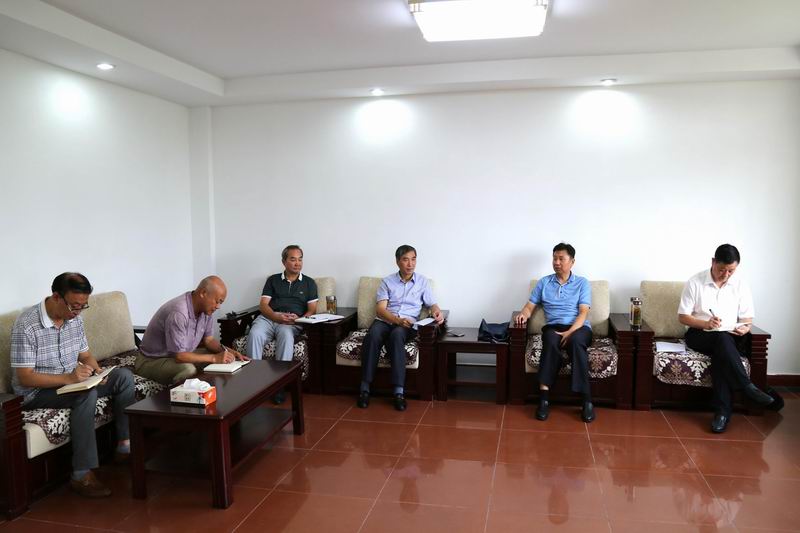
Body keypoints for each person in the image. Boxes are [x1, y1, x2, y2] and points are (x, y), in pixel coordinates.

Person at [11, 273, 136, 498]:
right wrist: (68, 378)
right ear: (56, 297)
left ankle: (125, 446)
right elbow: (25, 378)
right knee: (85, 396)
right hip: (37, 392)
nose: (78, 311)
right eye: (74, 305)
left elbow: (85, 355)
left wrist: (97, 372)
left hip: (72, 382)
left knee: (123, 377)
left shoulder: (74, 319)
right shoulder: (27, 326)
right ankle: (81, 474)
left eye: (82, 306)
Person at [677, 244, 773, 433]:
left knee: (722, 350)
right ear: (713, 262)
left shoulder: (740, 285)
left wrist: (745, 328)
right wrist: (706, 324)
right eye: (722, 270)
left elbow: (747, 319)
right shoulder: (695, 282)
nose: (726, 275)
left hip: (730, 337)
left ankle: (722, 414)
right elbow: (682, 317)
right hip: (700, 335)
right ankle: (747, 388)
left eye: (731, 271)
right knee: (721, 341)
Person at [357, 245, 444, 411]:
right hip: (386, 320)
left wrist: (437, 312)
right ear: (397, 262)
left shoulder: (422, 282)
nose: (410, 264)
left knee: (397, 336)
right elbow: (380, 310)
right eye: (405, 260)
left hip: (407, 324)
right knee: (373, 335)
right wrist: (397, 320)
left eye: (413, 259)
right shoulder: (387, 282)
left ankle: (398, 392)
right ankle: (364, 389)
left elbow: (432, 304)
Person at [514, 243, 595, 423]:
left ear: (572, 261)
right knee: (550, 340)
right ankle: (543, 398)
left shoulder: (582, 283)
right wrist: (523, 314)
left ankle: (586, 400)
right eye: (554, 258)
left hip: (579, 327)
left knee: (576, 342)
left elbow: (583, 313)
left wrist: (570, 332)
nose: (556, 262)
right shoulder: (544, 283)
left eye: (561, 259)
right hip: (554, 327)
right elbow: (529, 307)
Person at [135, 276, 245, 385]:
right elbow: (179, 356)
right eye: (217, 301)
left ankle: (208, 392)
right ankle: (180, 395)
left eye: (221, 302)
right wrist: (214, 358)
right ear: (203, 293)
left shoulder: (206, 310)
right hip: (151, 361)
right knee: (188, 369)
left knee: (220, 356)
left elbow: (209, 340)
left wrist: (229, 352)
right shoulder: (179, 313)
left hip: (179, 355)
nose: (218, 306)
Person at [246, 245, 318, 361]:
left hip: (291, 321)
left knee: (286, 335)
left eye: (300, 259)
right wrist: (275, 316)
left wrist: (299, 320)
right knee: (255, 334)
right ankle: (253, 371)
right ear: (284, 262)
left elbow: (312, 309)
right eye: (293, 259)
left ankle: (283, 372)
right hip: (268, 318)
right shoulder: (272, 280)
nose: (297, 263)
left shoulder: (309, 283)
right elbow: (263, 305)